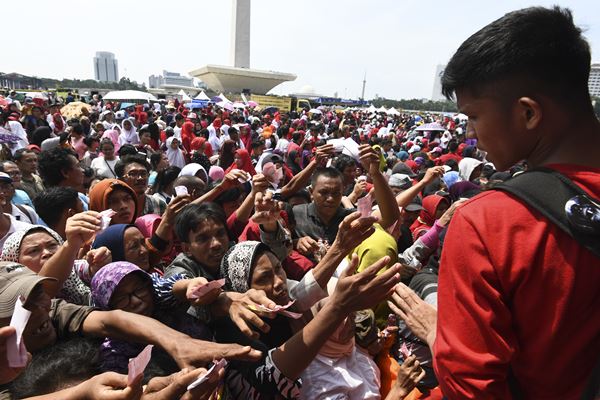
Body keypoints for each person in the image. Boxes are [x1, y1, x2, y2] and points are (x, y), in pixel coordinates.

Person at [429, 6, 600, 399]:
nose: (470, 133)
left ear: (528, 113)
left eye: (473, 115)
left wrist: (440, 336)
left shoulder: (489, 224)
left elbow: (470, 388)